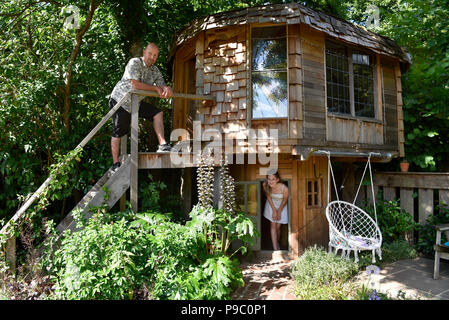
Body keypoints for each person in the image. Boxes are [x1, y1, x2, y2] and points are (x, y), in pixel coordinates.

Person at [109, 42, 174, 171]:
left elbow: (162, 85)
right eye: (150, 53)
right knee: (119, 131)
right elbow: (135, 84)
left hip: (135, 102)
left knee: (157, 113)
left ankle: (163, 144)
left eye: (155, 55)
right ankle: (115, 164)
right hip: (120, 100)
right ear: (144, 52)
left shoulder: (155, 70)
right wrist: (155, 88)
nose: (152, 57)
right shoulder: (134, 62)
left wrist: (168, 88)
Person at [263, 171, 289, 251]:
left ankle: (277, 242)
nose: (270, 181)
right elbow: (269, 198)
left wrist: (279, 210)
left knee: (278, 227)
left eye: (273, 179)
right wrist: (274, 210)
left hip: (282, 205)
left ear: (277, 179)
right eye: (269, 179)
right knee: (273, 225)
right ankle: (275, 249)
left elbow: (285, 200)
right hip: (271, 205)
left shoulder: (284, 188)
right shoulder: (265, 185)